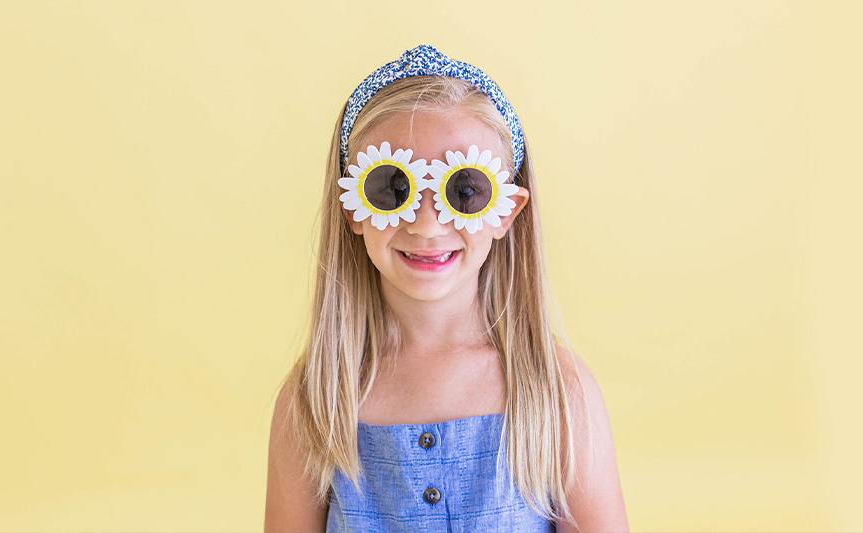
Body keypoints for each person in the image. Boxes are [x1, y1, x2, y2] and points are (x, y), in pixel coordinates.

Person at [265, 44, 629, 532]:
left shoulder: (558, 394)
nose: (427, 225)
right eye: (394, 187)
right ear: (352, 207)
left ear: (507, 211)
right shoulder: (313, 402)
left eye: (463, 191)